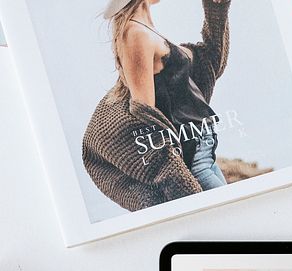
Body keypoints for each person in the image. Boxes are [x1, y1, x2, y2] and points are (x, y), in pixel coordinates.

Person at [83, 0, 231, 212]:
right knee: (228, 215)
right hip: (194, 156)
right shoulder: (135, 34)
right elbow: (145, 113)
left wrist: (216, 7)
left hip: (203, 148)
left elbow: (209, 62)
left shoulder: (145, 29)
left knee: (232, 213)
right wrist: (176, 176)